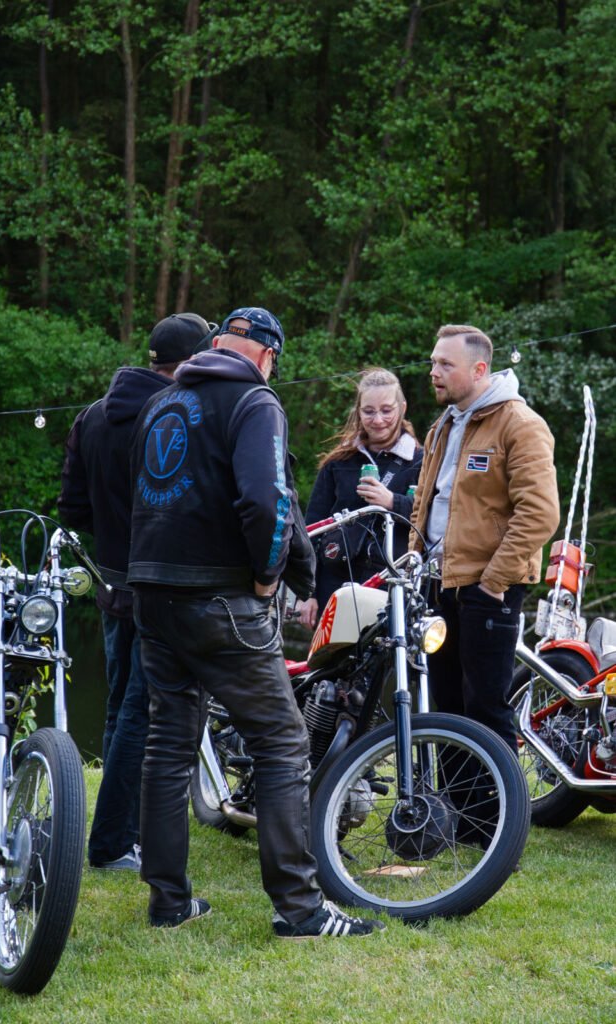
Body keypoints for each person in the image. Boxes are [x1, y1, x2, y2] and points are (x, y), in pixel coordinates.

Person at [128, 306, 384, 938]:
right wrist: (270, 576)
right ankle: (299, 910)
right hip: (219, 597)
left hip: (151, 590)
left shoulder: (163, 402)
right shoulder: (255, 401)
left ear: (217, 344)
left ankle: (168, 903)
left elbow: (144, 493)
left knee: (168, 745)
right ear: (268, 354)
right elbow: (269, 502)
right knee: (282, 742)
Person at [58, 312, 216, 870]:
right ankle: (111, 844)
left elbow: (72, 508)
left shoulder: (92, 415)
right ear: (189, 361)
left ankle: (119, 832)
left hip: (110, 583)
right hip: (157, 585)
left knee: (122, 708)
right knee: (142, 713)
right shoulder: (175, 413)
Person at [410, 323, 560, 751]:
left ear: (479, 370)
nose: (433, 371)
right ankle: (461, 818)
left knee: (486, 710)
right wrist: (415, 561)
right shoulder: (443, 425)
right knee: (448, 711)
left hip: (489, 589)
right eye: (433, 362)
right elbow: (424, 500)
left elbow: (541, 513)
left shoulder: (521, 424)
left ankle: (500, 818)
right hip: (438, 586)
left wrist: (494, 581)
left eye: (444, 364)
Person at [298, 368, 422, 629]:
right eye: (369, 411)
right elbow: (311, 531)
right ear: (358, 411)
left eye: (387, 410)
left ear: (402, 408)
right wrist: (307, 594)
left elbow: (433, 521)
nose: (378, 420)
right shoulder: (337, 463)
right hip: (334, 589)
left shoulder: (422, 462)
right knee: (332, 669)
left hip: (395, 589)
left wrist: (392, 502)